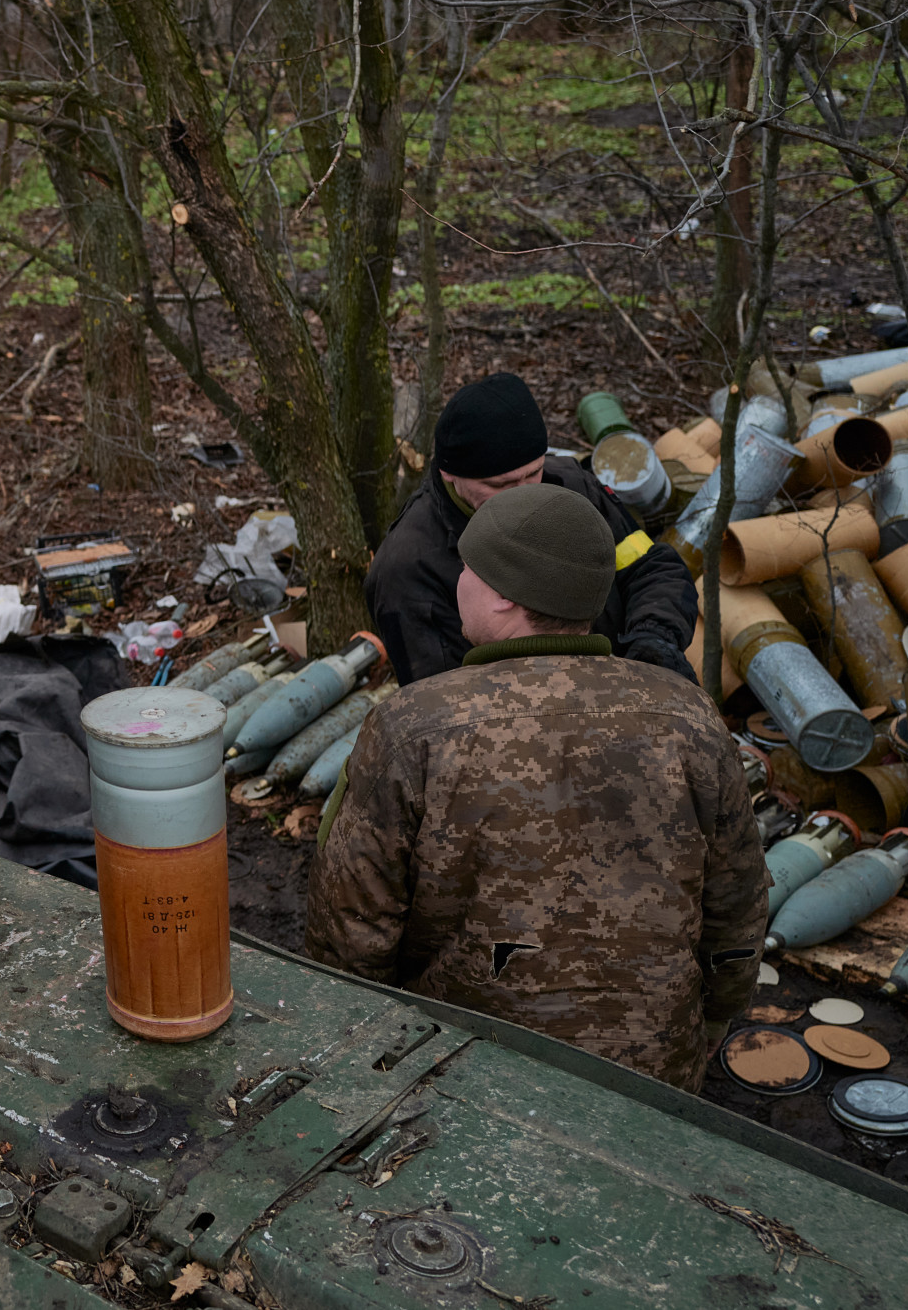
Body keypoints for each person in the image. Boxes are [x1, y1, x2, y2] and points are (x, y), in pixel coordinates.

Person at [306, 484, 767, 1089]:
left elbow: (352, 926)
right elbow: (738, 904)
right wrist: (712, 1021)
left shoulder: (413, 727)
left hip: (463, 1070)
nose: (458, 579)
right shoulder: (689, 715)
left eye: (468, 567)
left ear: (500, 597)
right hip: (650, 1073)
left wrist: (360, 1049)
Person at [368, 372, 697, 685]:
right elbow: (440, 704)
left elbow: (652, 568)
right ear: (449, 475)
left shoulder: (571, 485)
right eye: (501, 484)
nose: (524, 491)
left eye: (533, 472)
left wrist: (653, 641)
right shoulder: (407, 567)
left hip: (628, 687)